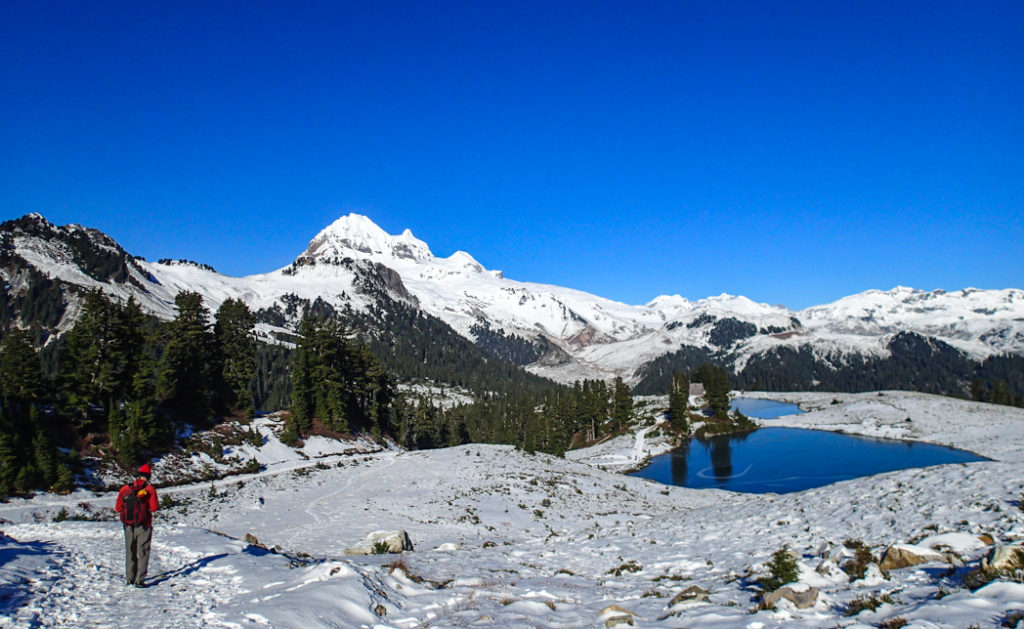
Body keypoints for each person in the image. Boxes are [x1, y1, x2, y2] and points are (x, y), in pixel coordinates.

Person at [115, 463, 159, 587]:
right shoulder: (149, 489)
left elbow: (118, 508)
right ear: (149, 476)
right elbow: (154, 508)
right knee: (143, 551)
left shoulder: (126, 489)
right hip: (144, 525)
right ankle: (140, 580)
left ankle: (130, 577)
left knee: (130, 550)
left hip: (128, 525)